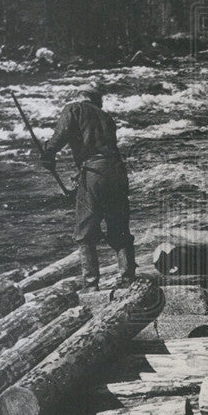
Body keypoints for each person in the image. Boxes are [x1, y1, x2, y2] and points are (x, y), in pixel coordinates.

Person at [41, 79, 137, 291]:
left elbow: (60, 135)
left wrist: (48, 154)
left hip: (94, 173)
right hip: (117, 172)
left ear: (80, 96)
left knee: (85, 232)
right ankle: (128, 278)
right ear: (97, 100)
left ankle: (91, 285)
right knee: (119, 228)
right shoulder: (106, 117)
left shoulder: (74, 109)